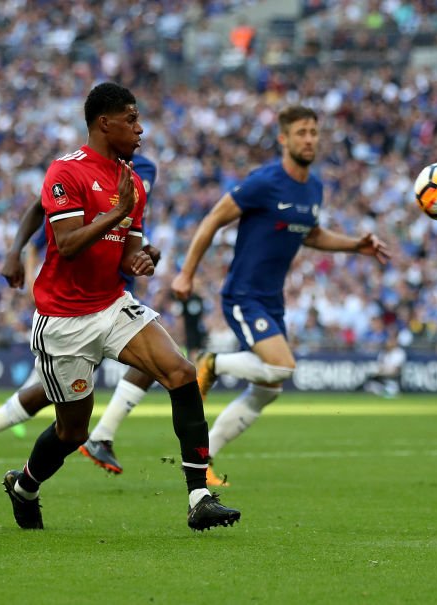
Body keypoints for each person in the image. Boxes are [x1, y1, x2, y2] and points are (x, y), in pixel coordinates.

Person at [0, 82, 238, 531]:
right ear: (103, 123)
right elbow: (67, 245)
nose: (140, 128)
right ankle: (24, 487)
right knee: (73, 432)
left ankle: (199, 496)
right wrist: (115, 213)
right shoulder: (65, 172)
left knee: (181, 373)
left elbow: (128, 252)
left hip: (110, 307)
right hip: (63, 320)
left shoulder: (131, 183)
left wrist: (143, 258)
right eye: (131, 119)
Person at [170, 105, 390, 485]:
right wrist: (186, 273)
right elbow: (212, 221)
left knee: (269, 389)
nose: (309, 139)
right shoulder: (263, 182)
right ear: (283, 139)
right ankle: (212, 363)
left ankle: (204, 463)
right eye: (301, 132)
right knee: (283, 367)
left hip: (272, 300)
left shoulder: (314, 187)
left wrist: (356, 245)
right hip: (243, 294)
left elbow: (311, 234)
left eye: (314, 132)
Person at [0, 154, 161, 485]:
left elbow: (132, 221)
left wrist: (145, 247)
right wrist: (15, 251)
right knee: (60, 391)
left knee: (158, 364)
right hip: (76, 299)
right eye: (129, 119)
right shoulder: (77, 166)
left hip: (114, 291)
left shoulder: (143, 170)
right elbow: (41, 207)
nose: (138, 129)